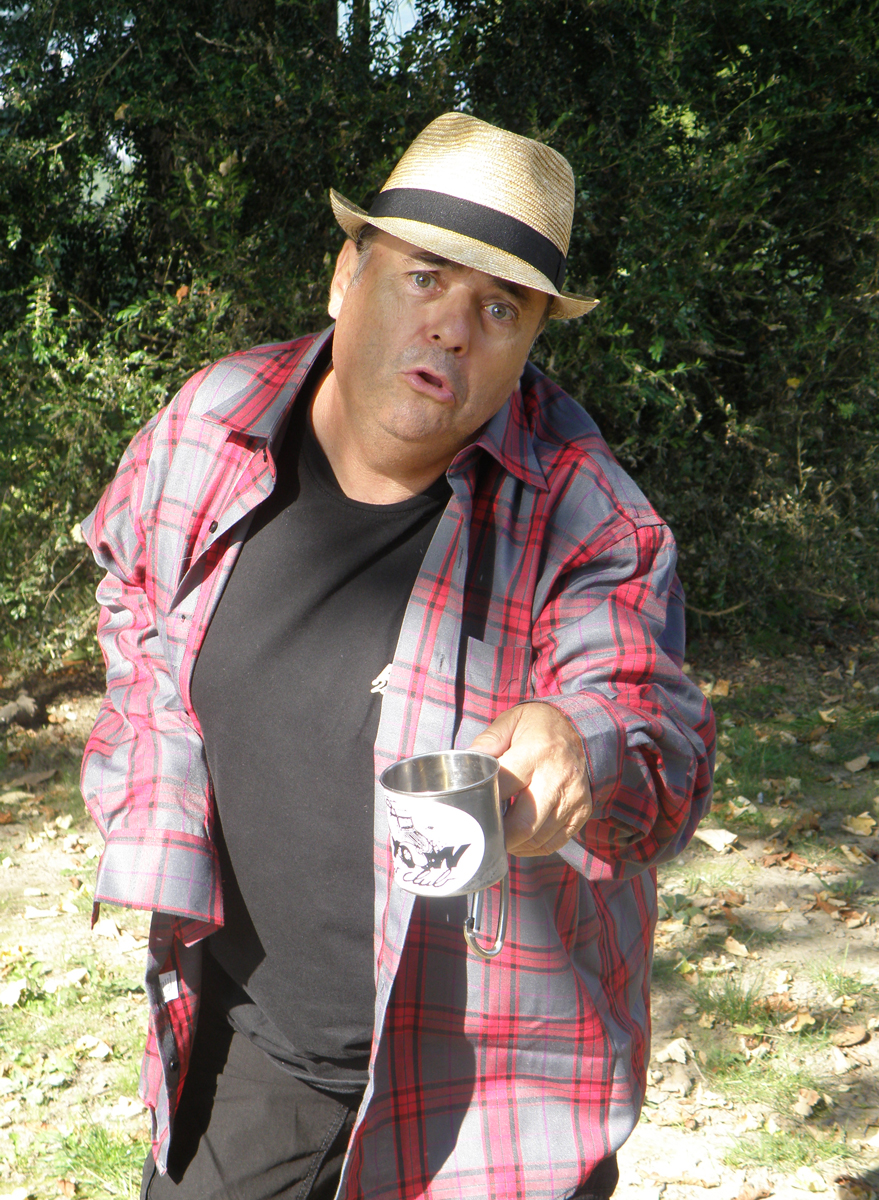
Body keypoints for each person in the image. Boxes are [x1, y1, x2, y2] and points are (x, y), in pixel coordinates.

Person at [80, 112, 715, 1200]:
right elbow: (131, 578)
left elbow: (652, 731)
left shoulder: (587, 516)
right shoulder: (215, 422)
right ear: (347, 275)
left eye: (501, 307)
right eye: (427, 277)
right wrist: (150, 784)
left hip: (486, 1093)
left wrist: (581, 742)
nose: (455, 328)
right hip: (250, 1046)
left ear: (530, 343)